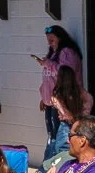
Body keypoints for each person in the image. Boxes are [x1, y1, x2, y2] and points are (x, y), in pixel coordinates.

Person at [36, 25, 84, 162]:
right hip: (51, 101)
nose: (49, 43)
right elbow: (49, 79)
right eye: (48, 41)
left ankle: (50, 165)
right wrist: (43, 96)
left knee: (59, 137)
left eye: (52, 40)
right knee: (52, 135)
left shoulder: (67, 52)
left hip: (62, 102)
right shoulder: (52, 55)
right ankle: (49, 164)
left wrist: (48, 64)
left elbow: (65, 73)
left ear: (60, 39)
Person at [48, 65, 94, 159]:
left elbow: (64, 113)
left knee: (61, 152)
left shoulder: (57, 93)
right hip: (80, 125)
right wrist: (83, 115)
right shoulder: (79, 91)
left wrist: (69, 116)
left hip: (66, 125)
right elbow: (89, 99)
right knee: (79, 151)